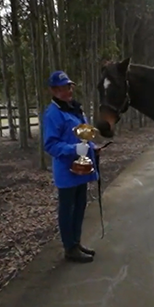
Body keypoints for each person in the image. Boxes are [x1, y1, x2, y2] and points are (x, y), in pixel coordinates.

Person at [42, 70, 100, 263]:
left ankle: (76, 242)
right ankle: (69, 247)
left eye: (67, 87)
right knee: (67, 208)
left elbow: (84, 133)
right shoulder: (53, 114)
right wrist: (73, 149)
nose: (65, 91)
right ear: (53, 91)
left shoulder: (75, 109)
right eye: (59, 89)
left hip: (81, 167)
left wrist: (92, 146)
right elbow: (50, 144)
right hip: (66, 170)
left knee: (80, 206)